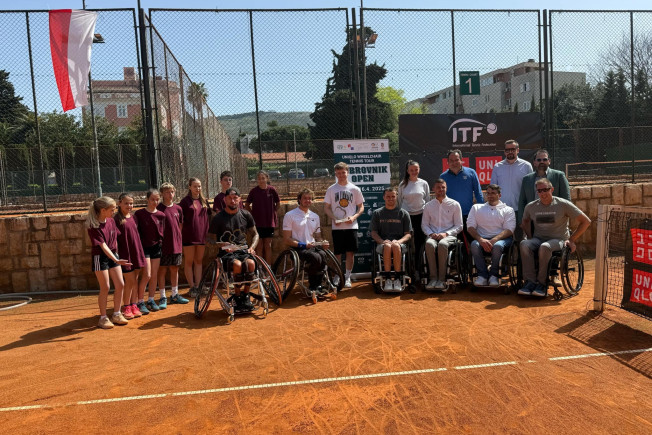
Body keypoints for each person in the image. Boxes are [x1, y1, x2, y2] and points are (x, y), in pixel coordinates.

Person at [518, 178, 591, 298]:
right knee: (524, 244)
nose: (542, 193)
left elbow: (586, 221)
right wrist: (530, 237)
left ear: (552, 189)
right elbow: (525, 221)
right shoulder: (531, 206)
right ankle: (530, 282)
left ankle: (542, 284)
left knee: (545, 247)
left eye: (545, 190)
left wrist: (572, 239)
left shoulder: (563, 204)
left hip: (558, 240)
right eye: (539, 191)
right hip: (538, 239)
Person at [207, 187, 259, 312]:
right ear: (225, 200)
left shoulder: (246, 215)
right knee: (237, 265)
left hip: (243, 251)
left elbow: (255, 234)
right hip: (226, 253)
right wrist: (220, 244)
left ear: (240, 199)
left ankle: (245, 296)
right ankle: (237, 296)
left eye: (235, 198)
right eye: (230, 198)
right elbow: (208, 240)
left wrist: (252, 247)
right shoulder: (218, 218)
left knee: (251, 263)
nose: (233, 200)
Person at [86, 196, 131, 329]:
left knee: (120, 284)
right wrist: (116, 259)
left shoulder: (111, 221)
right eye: (112, 209)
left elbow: (114, 239)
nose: (114, 211)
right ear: (103, 210)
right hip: (100, 257)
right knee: (105, 287)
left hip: (113, 255)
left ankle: (116, 314)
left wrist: (116, 256)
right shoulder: (93, 226)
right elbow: (103, 246)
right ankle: (103, 318)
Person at [323, 161, 365, 289]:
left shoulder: (355, 189)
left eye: (343, 172)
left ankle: (347, 277)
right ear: (335, 174)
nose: (341, 175)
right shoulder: (331, 189)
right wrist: (334, 218)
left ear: (347, 173)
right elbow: (326, 208)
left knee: (350, 253)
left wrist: (354, 217)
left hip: (351, 227)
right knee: (338, 253)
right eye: (338, 173)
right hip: (337, 227)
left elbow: (361, 207)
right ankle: (337, 275)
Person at [282, 188, 330, 295]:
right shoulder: (289, 215)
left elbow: (318, 237)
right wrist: (303, 245)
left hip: (312, 247)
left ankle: (318, 285)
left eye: (310, 198)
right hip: (297, 248)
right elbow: (286, 239)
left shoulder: (315, 216)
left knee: (323, 255)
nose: (307, 200)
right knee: (315, 257)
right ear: (299, 199)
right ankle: (313, 286)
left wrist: (323, 242)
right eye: (305, 198)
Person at [467, 184, 516, 287]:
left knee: (497, 246)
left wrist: (494, 240)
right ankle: (482, 276)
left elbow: (509, 230)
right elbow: (470, 227)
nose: (490, 196)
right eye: (488, 193)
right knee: (474, 245)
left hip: (502, 240)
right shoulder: (476, 208)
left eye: (493, 193)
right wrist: (481, 240)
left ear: (499, 195)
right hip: (482, 239)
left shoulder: (508, 210)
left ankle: (494, 275)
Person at [421, 179, 463, 290]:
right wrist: (431, 234)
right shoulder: (428, 206)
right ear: (434, 189)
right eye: (438, 187)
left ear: (446, 188)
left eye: (443, 187)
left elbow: (459, 226)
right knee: (429, 244)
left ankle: (441, 279)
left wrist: (446, 234)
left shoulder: (455, 204)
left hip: (449, 237)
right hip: (432, 236)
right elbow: (424, 225)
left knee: (442, 244)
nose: (441, 189)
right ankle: (433, 279)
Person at [370, 187, 412, 291]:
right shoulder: (377, 213)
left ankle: (397, 279)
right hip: (382, 243)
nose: (390, 199)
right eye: (388, 196)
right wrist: (382, 241)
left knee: (395, 245)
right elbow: (373, 233)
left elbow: (408, 234)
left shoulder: (404, 213)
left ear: (396, 197)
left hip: (399, 243)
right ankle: (388, 279)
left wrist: (399, 241)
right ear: (384, 197)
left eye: (393, 196)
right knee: (388, 246)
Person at [113, 192, 146, 319]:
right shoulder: (116, 219)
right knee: (130, 281)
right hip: (125, 254)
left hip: (136, 252)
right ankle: (126, 306)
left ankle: (134, 305)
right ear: (119, 203)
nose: (129, 205)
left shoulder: (133, 217)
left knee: (135, 280)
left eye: (131, 203)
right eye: (126, 203)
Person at [156, 182, 188, 308]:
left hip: (176, 245)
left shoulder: (178, 208)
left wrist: (177, 240)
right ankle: (163, 296)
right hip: (163, 245)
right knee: (162, 269)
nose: (170, 194)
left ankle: (175, 295)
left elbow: (180, 226)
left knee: (175, 268)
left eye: (172, 192)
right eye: (167, 192)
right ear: (162, 194)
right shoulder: (158, 208)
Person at [518, 149, 571, 224]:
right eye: (539, 160)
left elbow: (566, 199)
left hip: (554, 219)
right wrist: (521, 221)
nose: (542, 162)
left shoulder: (559, 176)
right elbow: (522, 201)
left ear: (549, 161)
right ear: (534, 162)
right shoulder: (527, 179)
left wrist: (563, 217)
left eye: (544, 159)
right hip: (533, 220)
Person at [134, 189, 166, 314]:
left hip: (156, 247)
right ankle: (140, 301)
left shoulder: (161, 215)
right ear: (147, 199)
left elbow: (162, 231)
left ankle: (151, 300)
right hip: (144, 247)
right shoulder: (139, 214)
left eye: (157, 199)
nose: (155, 202)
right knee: (147, 275)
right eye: (152, 199)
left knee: (154, 275)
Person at [180, 177, 211, 297]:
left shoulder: (204, 201)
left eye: (199, 186)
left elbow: (209, 217)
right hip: (189, 236)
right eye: (195, 186)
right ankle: (192, 287)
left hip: (201, 237)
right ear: (189, 187)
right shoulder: (185, 202)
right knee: (189, 262)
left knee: (198, 261)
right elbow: (181, 220)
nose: (197, 188)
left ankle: (198, 286)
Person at [490, 140, 532, 224]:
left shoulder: (526, 166)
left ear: (518, 150)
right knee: (503, 232)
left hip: (520, 208)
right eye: (507, 150)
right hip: (502, 209)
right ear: (504, 152)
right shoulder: (497, 167)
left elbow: (530, 188)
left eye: (512, 149)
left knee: (520, 232)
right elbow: (493, 188)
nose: (510, 152)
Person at [397, 160, 429, 271]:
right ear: (407, 171)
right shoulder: (402, 184)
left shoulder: (424, 183)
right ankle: (407, 267)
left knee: (420, 242)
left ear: (419, 169)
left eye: (416, 169)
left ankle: (419, 268)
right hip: (407, 217)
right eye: (411, 170)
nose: (414, 172)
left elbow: (427, 200)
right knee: (407, 242)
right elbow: (399, 201)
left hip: (421, 216)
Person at [440, 149, 483, 227]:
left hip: (468, 214)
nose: (454, 163)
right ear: (447, 162)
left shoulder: (471, 173)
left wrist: (482, 210)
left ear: (461, 160)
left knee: (470, 235)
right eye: (451, 161)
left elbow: (478, 192)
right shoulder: (443, 177)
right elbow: (441, 196)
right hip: (450, 216)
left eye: (456, 160)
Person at [245, 170, 280, 265]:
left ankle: (268, 268)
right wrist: (252, 215)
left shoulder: (272, 190)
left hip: (269, 223)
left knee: (268, 246)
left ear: (267, 178)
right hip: (257, 223)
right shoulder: (254, 191)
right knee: (259, 246)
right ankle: (260, 268)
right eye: (259, 179)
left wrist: (273, 213)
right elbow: (247, 204)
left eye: (263, 178)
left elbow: (278, 203)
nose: (261, 180)